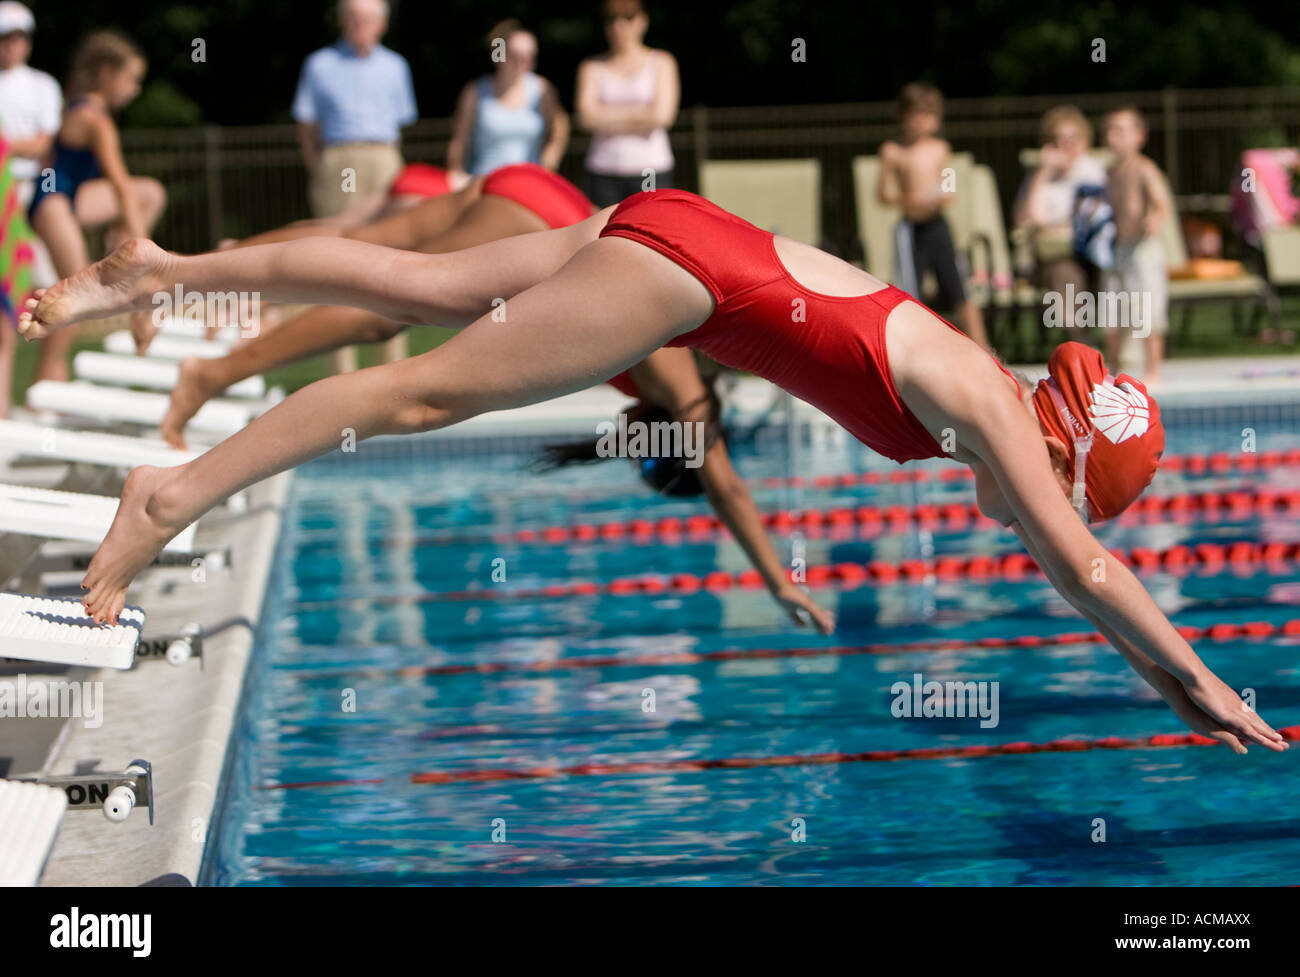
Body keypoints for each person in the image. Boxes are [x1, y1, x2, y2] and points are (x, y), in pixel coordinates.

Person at [19, 189, 1288, 756]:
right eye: (1069, 484)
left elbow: (1064, 555)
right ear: (1065, 449)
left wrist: (1155, 671)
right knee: (417, 387)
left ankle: (169, 271)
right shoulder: (997, 416)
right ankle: (167, 495)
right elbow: (1087, 565)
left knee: (414, 287)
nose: (1044, 503)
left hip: (688, 233)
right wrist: (1201, 677)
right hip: (695, 279)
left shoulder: (987, 392)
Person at [156, 164, 833, 633]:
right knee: (381, 307)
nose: (632, 440)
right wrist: (777, 579)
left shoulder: (680, 368)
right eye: (645, 453)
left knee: (358, 249)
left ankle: (187, 276)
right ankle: (210, 373)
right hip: (536, 213)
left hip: (538, 192)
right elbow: (730, 491)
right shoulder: (683, 393)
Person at [25, 30, 166, 375]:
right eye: (132, 80)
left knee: (150, 191)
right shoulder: (95, 118)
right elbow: (119, 186)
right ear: (107, 74)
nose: (135, 89)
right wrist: (146, 249)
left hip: (68, 195)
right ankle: (46, 383)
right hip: (51, 200)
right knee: (72, 298)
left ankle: (123, 266)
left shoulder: (81, 105)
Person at [292, 0, 416, 373]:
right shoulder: (319, 64)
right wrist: (322, 167)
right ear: (343, 21)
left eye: (368, 17)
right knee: (336, 263)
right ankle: (341, 372)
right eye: (354, 17)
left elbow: (400, 121)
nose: (360, 24)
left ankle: (393, 370)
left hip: (384, 158)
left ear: (382, 23)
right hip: (338, 159)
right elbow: (306, 125)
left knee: (396, 261)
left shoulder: (396, 66)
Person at [876, 83, 992, 353]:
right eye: (915, 115)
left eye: (927, 116)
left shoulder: (940, 148)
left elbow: (948, 184)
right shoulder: (892, 151)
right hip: (910, 230)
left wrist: (940, 195)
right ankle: (918, 350)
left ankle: (984, 350)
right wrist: (910, 200)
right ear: (903, 116)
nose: (920, 122)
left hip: (938, 226)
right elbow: (883, 194)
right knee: (911, 292)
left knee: (958, 287)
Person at [1013, 106, 1108, 333]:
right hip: (1053, 255)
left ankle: (1102, 344)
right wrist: (1043, 173)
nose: (1066, 146)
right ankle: (1078, 339)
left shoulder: (1091, 171)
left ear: (1084, 141)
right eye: (1058, 140)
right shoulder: (1040, 176)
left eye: (1072, 139)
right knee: (1064, 272)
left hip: (1091, 252)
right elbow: (1025, 219)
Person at [575, 0, 679, 207]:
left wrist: (606, 116)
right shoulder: (591, 67)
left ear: (642, 21)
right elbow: (585, 118)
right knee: (602, 235)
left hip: (651, 170)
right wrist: (641, 113)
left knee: (648, 231)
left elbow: (662, 116)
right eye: (611, 20)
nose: (618, 26)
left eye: (628, 18)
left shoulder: (662, 62)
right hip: (603, 170)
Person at [1101, 107, 1172, 386]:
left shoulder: (1144, 168)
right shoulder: (1108, 172)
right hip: (1117, 249)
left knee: (1147, 310)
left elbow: (1161, 201)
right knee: (1113, 309)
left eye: (1120, 130)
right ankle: (1115, 368)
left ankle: (1153, 370)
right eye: (1108, 130)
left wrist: (1154, 218)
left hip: (1143, 249)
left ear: (1139, 136)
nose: (1111, 136)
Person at [446, 20, 569, 181]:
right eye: (516, 55)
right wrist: (456, 172)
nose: (523, 62)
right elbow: (459, 142)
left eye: (530, 56)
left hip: (531, 181)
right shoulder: (475, 92)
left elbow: (560, 126)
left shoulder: (542, 89)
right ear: (499, 52)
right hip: (484, 183)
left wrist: (549, 160)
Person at [0, 2, 61, 303]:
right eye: (6, 37)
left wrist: (6, 147)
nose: (13, 44)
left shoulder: (43, 84)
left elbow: (44, 144)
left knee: (43, 278)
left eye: (19, 36)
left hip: (32, 186)